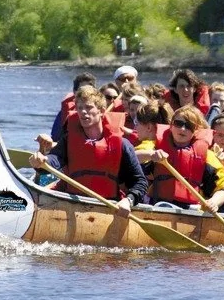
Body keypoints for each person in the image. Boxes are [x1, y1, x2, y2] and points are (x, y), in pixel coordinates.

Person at [29, 86, 147, 217]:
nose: (83, 112)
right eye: (79, 108)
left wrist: (128, 201)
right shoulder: (69, 140)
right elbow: (51, 163)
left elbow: (140, 182)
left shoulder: (122, 144)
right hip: (72, 205)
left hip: (107, 207)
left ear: (102, 111)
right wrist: (41, 161)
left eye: (89, 107)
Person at [148, 105, 224, 211]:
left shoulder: (207, 156)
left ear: (196, 130)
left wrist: (214, 202)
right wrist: (151, 155)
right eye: (178, 123)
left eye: (189, 126)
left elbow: (221, 191)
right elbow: (134, 157)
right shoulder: (154, 146)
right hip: (158, 205)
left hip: (191, 209)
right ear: (171, 125)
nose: (182, 129)